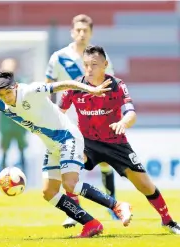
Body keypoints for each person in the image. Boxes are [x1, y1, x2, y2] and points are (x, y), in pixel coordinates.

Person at [0, 71, 133, 238]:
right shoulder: (1, 104)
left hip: (68, 137)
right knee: (48, 192)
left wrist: (92, 89)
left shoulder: (30, 91)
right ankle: (90, 223)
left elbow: (63, 84)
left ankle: (117, 205)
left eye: (7, 93)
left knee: (69, 184)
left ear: (15, 86)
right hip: (52, 145)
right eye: (0, 95)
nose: (5, 98)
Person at [59, 45, 180, 234]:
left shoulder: (116, 85)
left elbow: (131, 113)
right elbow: (59, 112)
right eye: (86, 65)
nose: (89, 69)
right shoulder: (75, 87)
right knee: (67, 170)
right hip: (87, 142)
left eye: (94, 64)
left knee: (145, 184)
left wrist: (124, 122)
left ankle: (167, 220)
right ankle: (78, 215)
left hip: (115, 142)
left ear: (105, 65)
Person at [45, 14, 118, 225]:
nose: (81, 33)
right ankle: (74, 213)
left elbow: (109, 85)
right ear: (72, 32)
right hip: (67, 119)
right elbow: (49, 86)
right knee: (69, 163)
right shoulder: (59, 57)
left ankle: (112, 206)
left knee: (105, 162)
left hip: (94, 117)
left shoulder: (101, 58)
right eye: (78, 30)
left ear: (91, 33)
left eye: (85, 30)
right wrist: (49, 113)